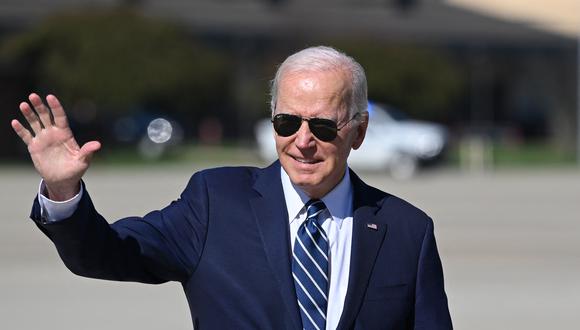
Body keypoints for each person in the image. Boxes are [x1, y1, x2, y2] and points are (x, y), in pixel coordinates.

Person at [11, 46, 452, 329]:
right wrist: (63, 191)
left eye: (321, 125)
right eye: (286, 122)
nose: (302, 141)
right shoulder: (214, 202)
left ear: (359, 131)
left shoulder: (407, 231)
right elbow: (104, 253)